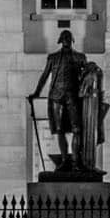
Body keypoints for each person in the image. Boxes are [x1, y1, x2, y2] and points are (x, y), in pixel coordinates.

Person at [29, 30, 87, 170]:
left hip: (73, 97)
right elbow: (44, 76)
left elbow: (86, 77)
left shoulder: (80, 57)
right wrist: (36, 93)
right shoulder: (53, 57)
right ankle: (64, 160)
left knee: (77, 129)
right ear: (60, 40)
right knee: (60, 129)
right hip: (57, 96)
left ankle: (75, 161)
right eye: (64, 37)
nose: (66, 40)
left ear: (72, 40)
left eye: (68, 37)